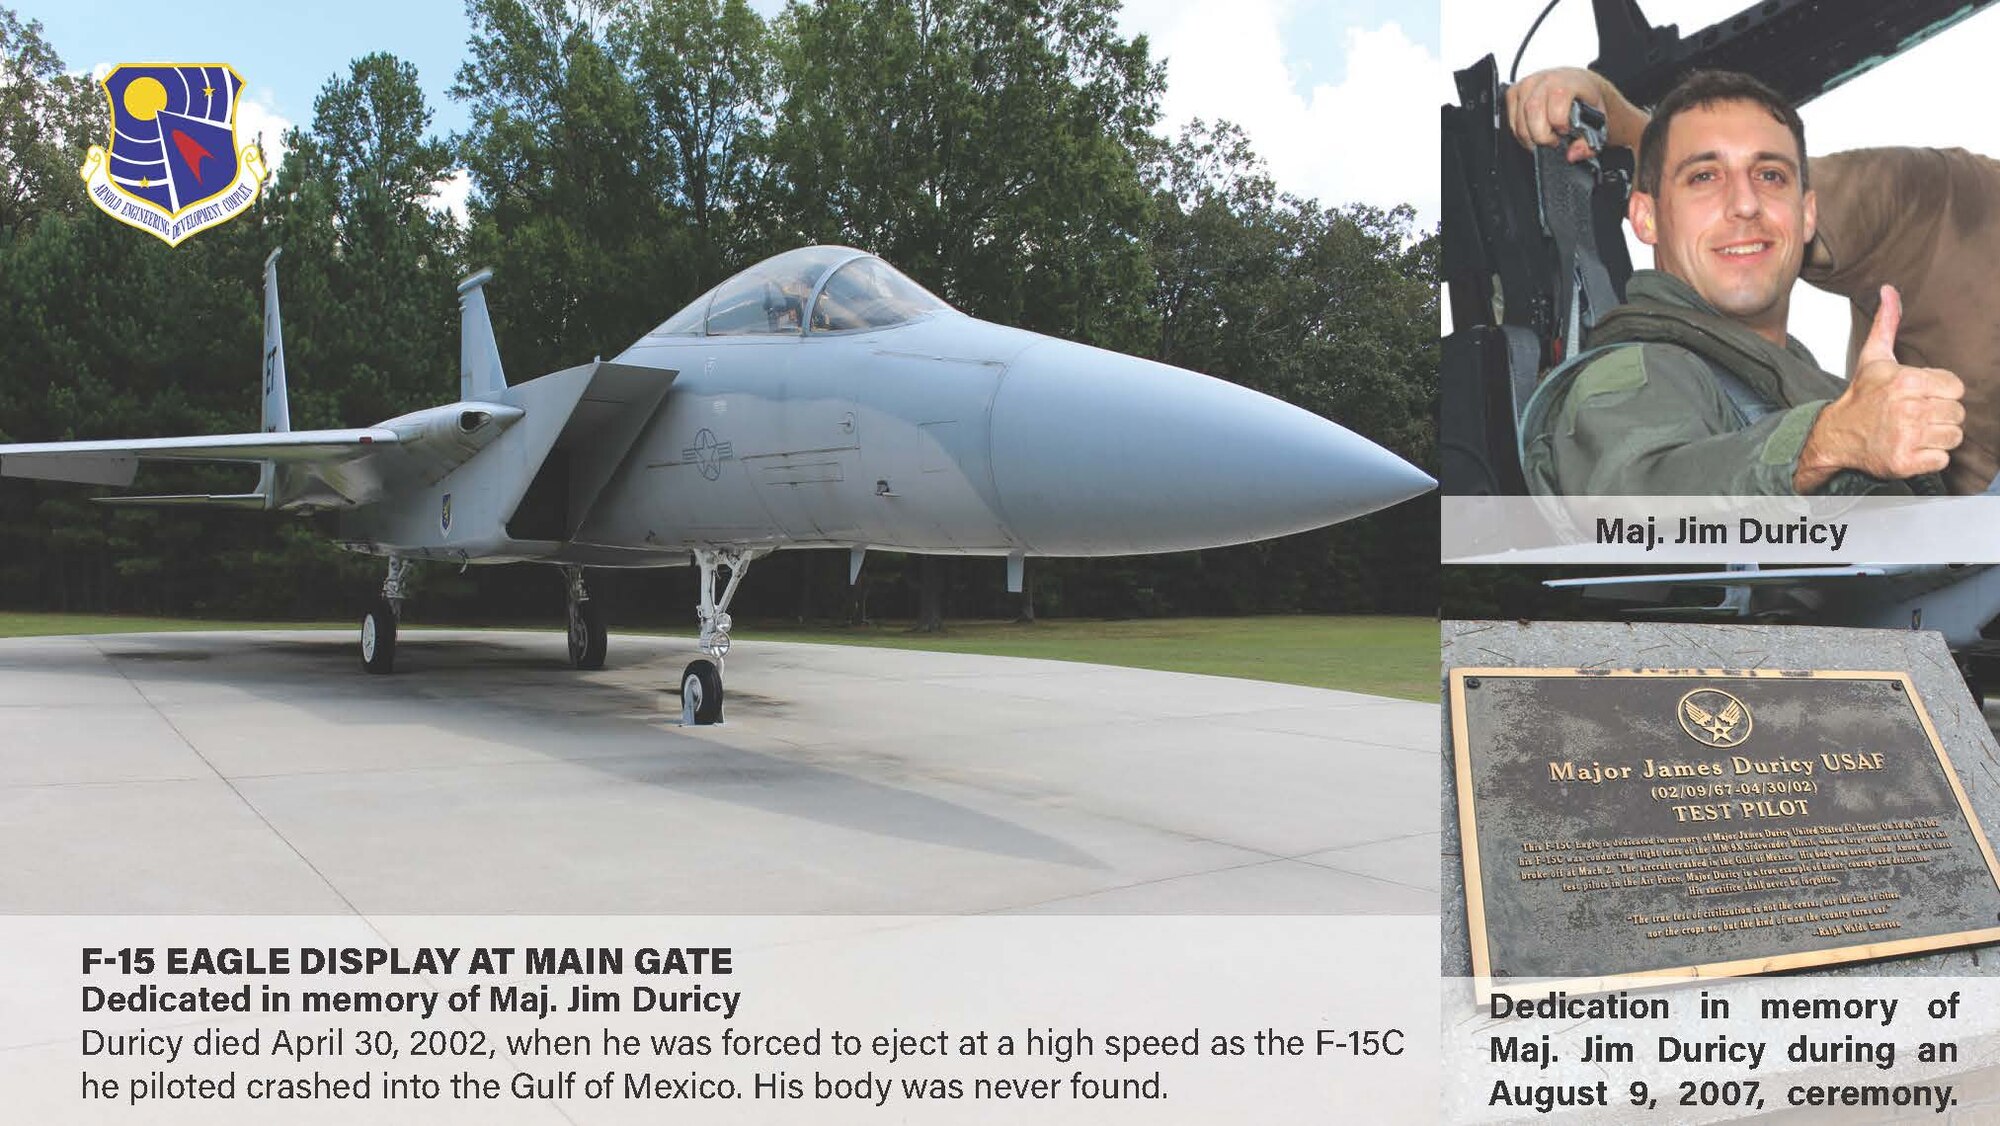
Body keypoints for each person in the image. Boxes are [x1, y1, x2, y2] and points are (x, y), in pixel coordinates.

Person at [1508, 68, 1966, 496]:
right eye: (1704, 177)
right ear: (1646, 218)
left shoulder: (1819, 392)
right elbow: (1637, 508)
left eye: (1770, 175)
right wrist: (1826, 444)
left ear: (1806, 216)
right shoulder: (1644, 370)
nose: (1746, 204)